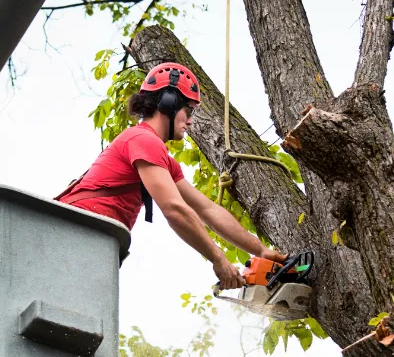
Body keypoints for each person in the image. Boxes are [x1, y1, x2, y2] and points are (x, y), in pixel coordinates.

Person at [57, 62, 286, 290]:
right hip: (71, 233)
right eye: (188, 111)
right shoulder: (143, 140)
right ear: (168, 103)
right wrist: (218, 258)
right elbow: (175, 210)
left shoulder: (161, 159)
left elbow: (208, 210)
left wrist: (261, 251)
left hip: (90, 238)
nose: (190, 121)